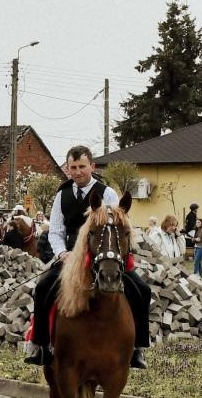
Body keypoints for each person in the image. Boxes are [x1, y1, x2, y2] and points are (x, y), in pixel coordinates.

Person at [24, 146, 151, 371]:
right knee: (43, 288)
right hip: (70, 255)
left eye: (82, 166)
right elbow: (55, 230)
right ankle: (40, 343)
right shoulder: (61, 195)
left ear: (92, 166)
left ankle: (138, 347)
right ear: (67, 169)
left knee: (142, 289)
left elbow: (115, 226)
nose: (78, 171)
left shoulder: (107, 193)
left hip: (104, 253)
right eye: (73, 167)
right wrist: (63, 253)